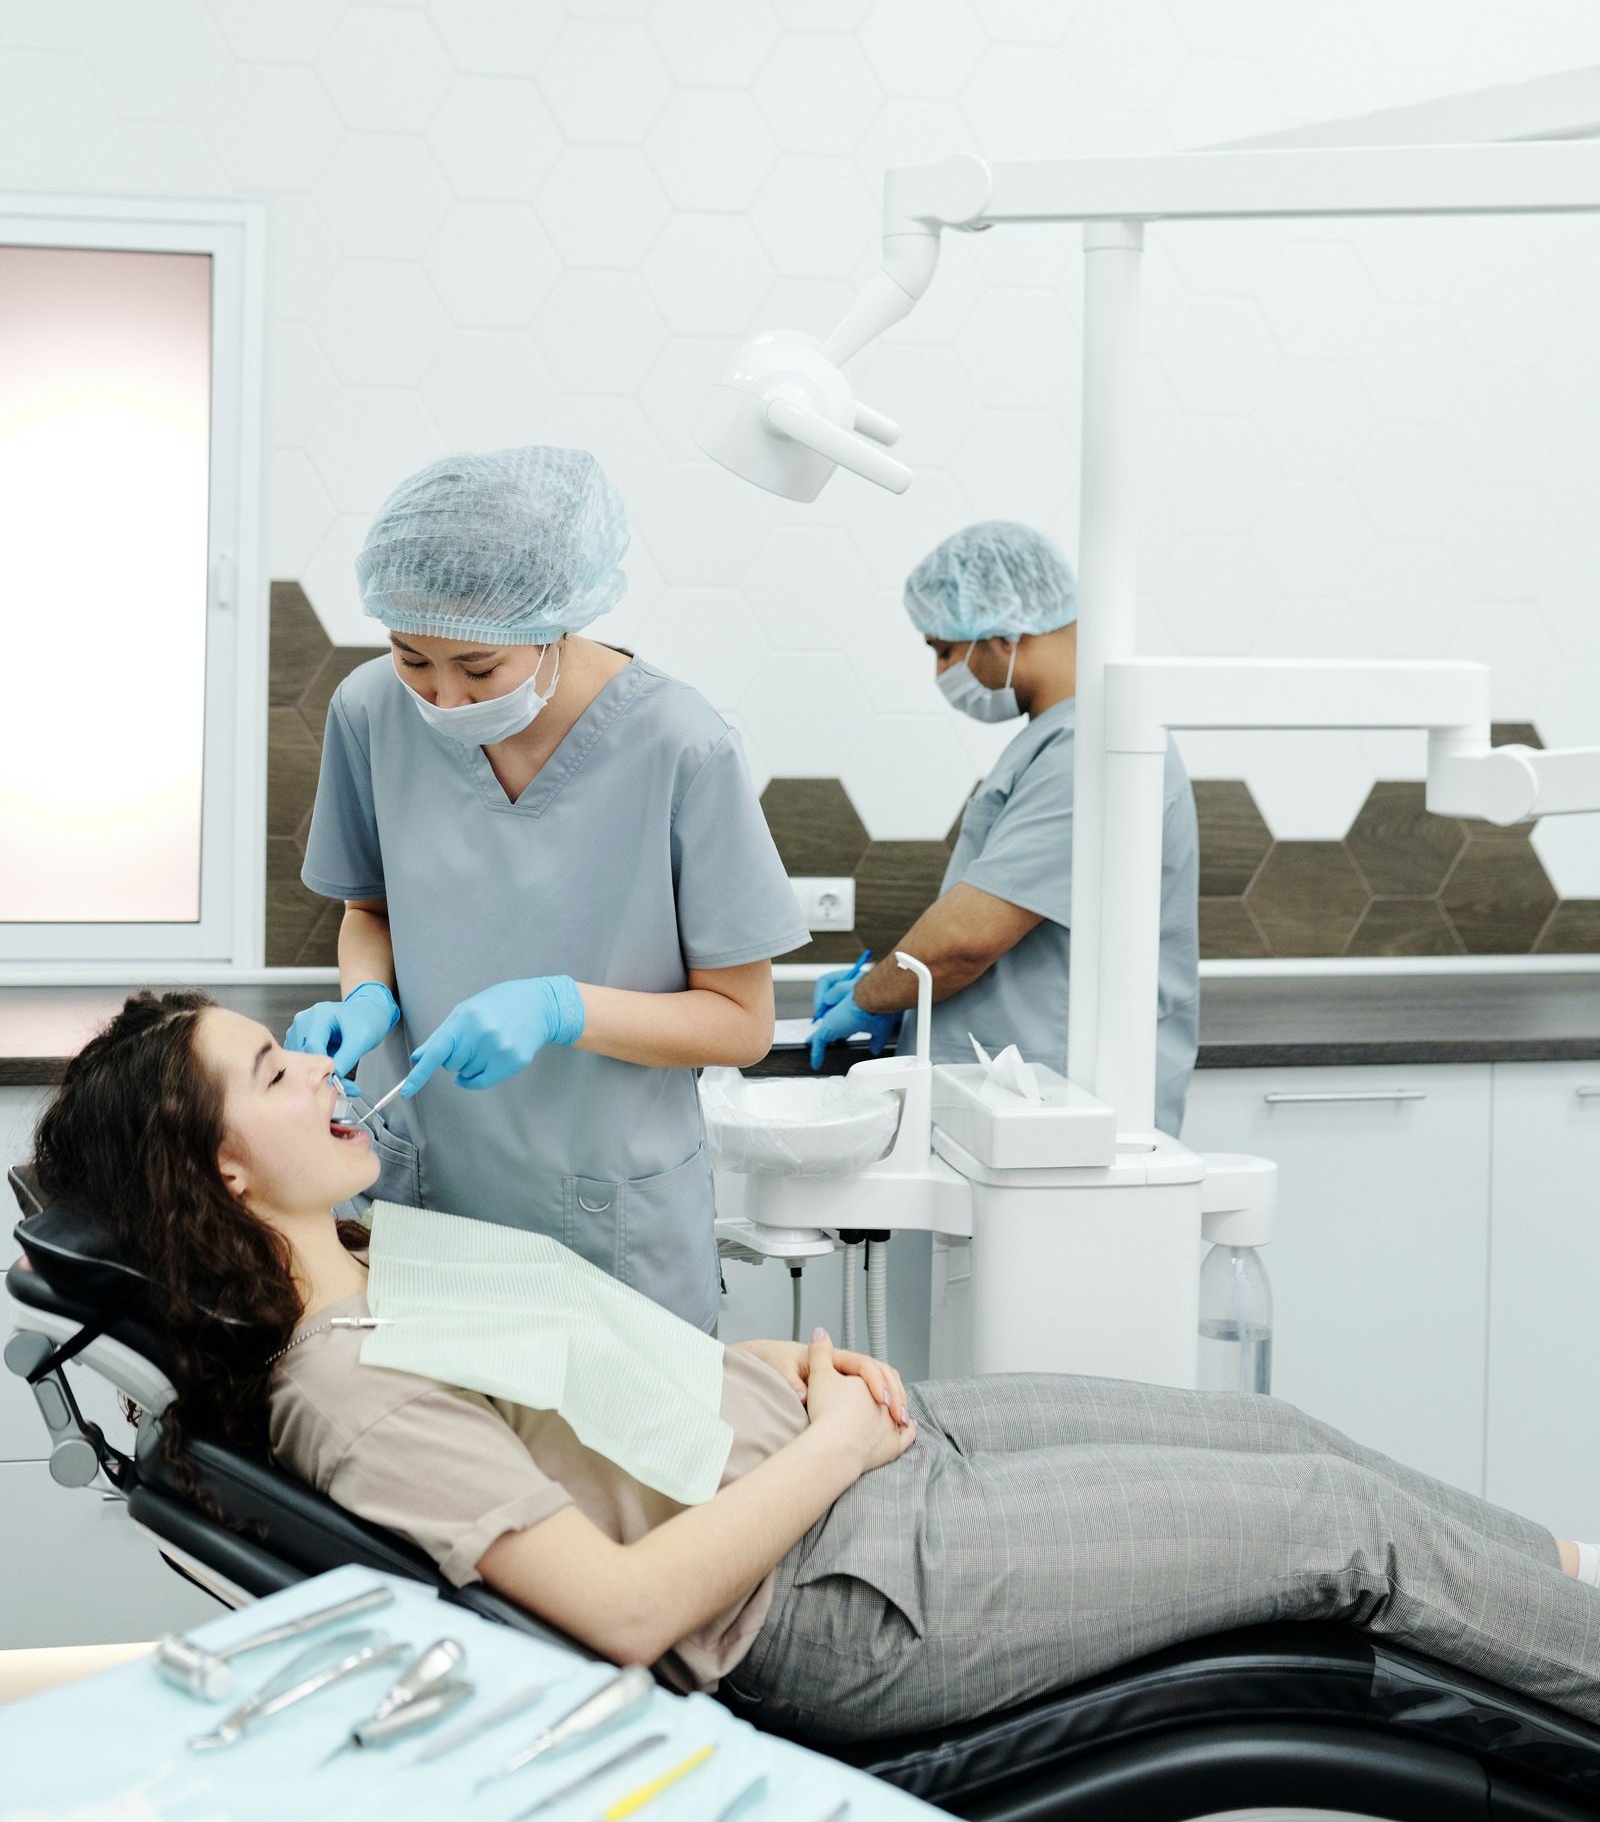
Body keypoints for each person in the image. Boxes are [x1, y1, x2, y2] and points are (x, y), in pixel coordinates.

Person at [31, 990, 1600, 1739]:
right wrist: (833, 1451)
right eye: (275, 1070)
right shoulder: (345, 1394)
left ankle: (1562, 1583)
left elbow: (580, 1387)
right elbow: (636, 1611)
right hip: (843, 1588)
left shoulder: (372, 1269)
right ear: (223, 1176)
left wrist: (776, 1373)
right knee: (1337, 1530)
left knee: (1287, 1442)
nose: (321, 1069)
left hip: (842, 1454)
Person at [285, 444, 806, 1330]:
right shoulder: (370, 711)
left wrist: (564, 1009)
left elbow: (743, 1024)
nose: (443, 698)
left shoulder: (680, 745)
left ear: (554, 620)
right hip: (431, 1201)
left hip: (608, 1224)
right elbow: (367, 909)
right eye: (413, 656)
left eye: (480, 668)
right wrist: (367, 995)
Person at [810, 520, 1200, 1137]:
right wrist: (893, 989)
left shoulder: (1090, 748)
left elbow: (966, 940)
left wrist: (873, 997)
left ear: (1003, 631)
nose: (943, 671)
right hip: (1022, 1104)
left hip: (1060, 1113)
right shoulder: (1056, 739)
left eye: (944, 649)